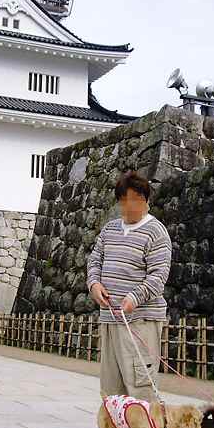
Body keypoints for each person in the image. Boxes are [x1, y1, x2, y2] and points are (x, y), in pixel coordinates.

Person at [87, 171, 172, 402]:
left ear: (146, 200)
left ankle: (145, 424)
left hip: (140, 320)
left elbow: (159, 275)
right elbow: (94, 261)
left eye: (135, 199)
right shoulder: (109, 229)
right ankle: (115, 423)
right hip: (110, 317)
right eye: (124, 200)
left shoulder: (156, 232)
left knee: (140, 383)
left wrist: (135, 297)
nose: (129, 206)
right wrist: (94, 284)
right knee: (111, 384)